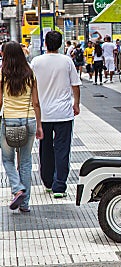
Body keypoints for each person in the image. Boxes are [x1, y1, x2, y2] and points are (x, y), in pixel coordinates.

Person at [31, 31, 81, 199]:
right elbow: (75, 85)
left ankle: (47, 182)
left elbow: (31, 87)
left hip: (43, 115)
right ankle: (59, 186)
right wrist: (76, 104)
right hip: (63, 114)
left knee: (45, 149)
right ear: (60, 44)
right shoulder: (67, 61)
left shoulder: (36, 62)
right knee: (62, 149)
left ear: (45, 44)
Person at [0, 41, 43, 212]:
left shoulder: (2, 74)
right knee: (25, 162)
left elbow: (0, 101)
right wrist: (39, 125)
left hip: (8, 120)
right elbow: (36, 102)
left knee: (7, 160)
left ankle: (17, 188)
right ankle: (24, 205)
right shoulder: (30, 73)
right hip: (29, 120)